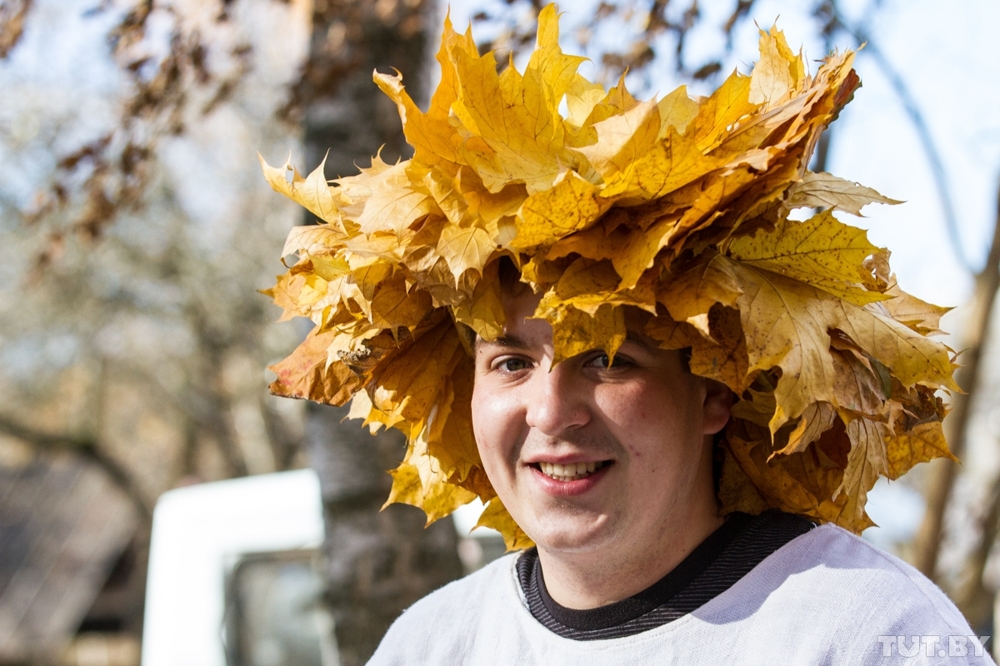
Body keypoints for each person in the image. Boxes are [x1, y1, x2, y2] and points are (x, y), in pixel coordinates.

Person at [261, 5, 994, 664]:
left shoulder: (867, 633)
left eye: (607, 360)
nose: (550, 412)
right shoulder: (431, 646)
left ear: (713, 386)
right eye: (512, 361)